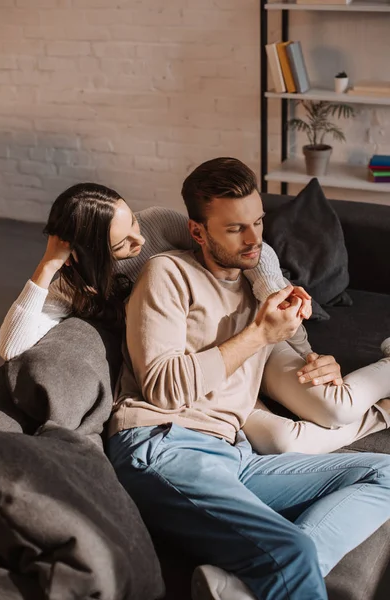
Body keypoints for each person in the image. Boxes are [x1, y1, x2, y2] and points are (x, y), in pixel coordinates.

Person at [107, 157, 390, 600]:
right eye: (236, 228)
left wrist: (322, 361)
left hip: (234, 455)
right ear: (198, 231)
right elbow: (162, 387)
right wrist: (259, 334)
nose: (254, 239)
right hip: (161, 444)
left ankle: (242, 589)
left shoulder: (260, 291)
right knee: (290, 549)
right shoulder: (168, 273)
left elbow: (298, 351)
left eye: (258, 222)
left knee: (386, 474)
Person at [0, 182, 311, 363]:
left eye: (132, 221)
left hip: (241, 319)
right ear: (91, 254)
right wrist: (49, 265)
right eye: (123, 243)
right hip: (198, 359)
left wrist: (272, 291)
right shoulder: (73, 288)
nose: (141, 239)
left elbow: (249, 250)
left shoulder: (158, 221)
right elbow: (11, 348)